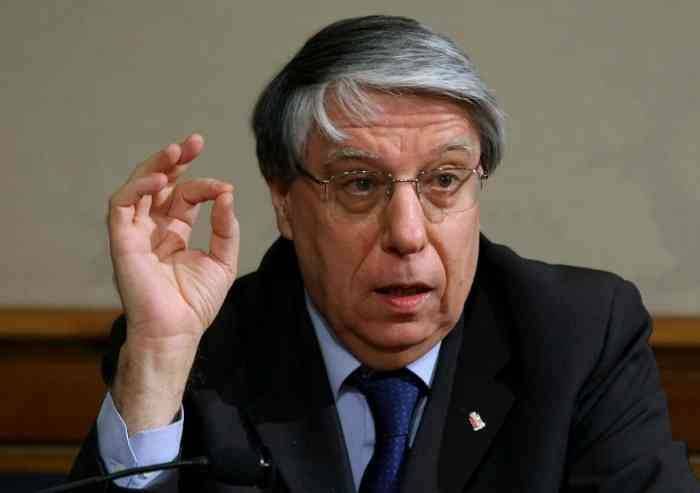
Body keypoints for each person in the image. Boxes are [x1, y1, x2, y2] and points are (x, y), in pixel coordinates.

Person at [69, 15, 699, 492]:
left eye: (444, 180)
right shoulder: (205, 351)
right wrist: (158, 359)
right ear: (285, 201)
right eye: (360, 184)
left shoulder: (578, 335)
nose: (408, 233)